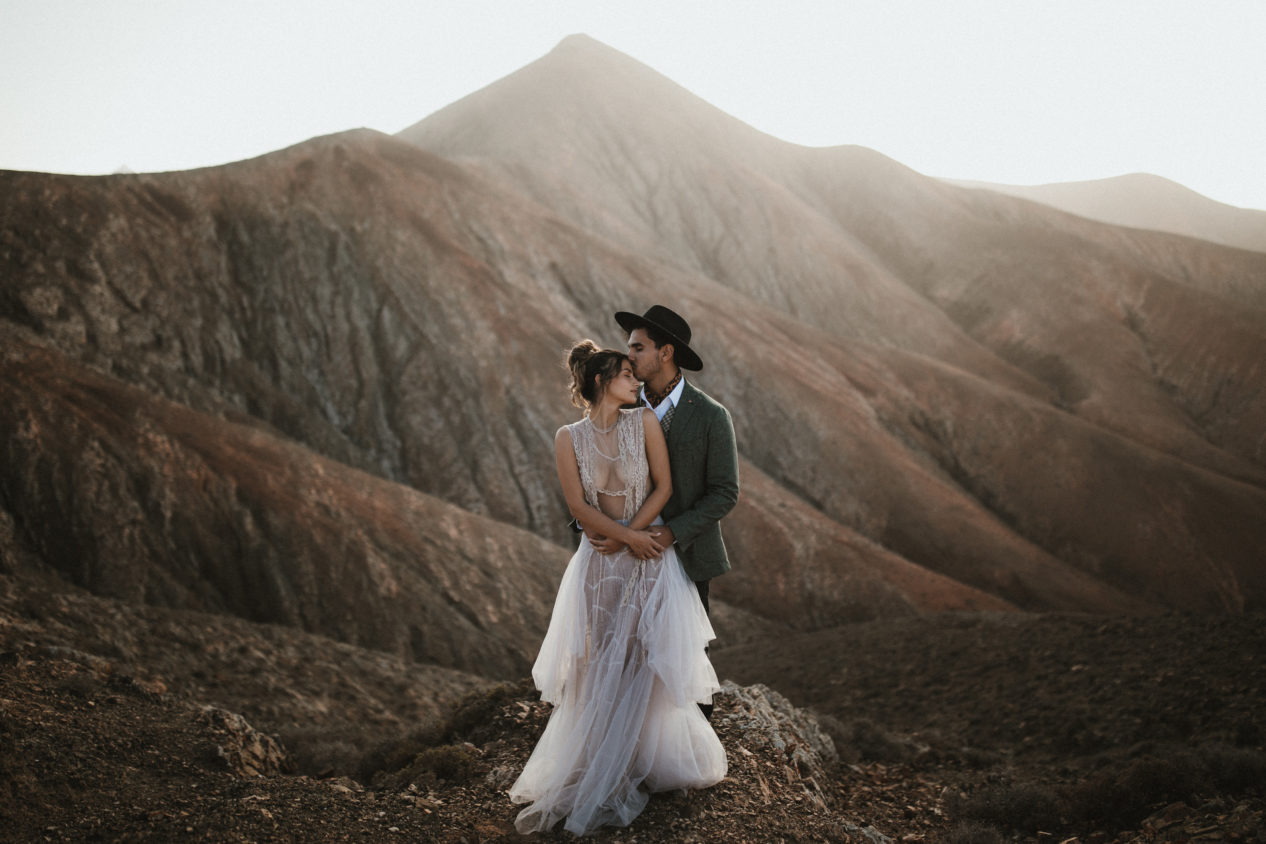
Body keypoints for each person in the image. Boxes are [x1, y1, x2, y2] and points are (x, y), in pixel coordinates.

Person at [509, 341, 727, 836]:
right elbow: (577, 506)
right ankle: (593, 759)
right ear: (603, 382)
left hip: (646, 559)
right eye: (627, 375)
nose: (636, 381)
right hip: (598, 563)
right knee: (594, 658)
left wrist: (631, 537)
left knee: (641, 657)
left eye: (635, 372)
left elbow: (664, 488)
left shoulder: (644, 422)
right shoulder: (568, 437)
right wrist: (621, 537)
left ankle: (637, 760)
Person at [591, 305, 740, 720]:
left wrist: (672, 532)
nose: (630, 357)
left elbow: (725, 493)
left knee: (686, 663)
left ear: (666, 353)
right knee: (624, 657)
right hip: (623, 553)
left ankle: (690, 767)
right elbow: (595, 477)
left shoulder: (711, 416)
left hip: (687, 555)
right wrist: (592, 527)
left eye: (638, 348)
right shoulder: (620, 408)